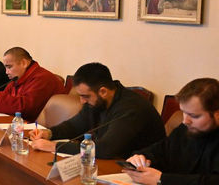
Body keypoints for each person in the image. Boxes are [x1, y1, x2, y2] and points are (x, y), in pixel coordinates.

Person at [29, 63, 165, 158]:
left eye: (85, 96)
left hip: (141, 171)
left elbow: (106, 149)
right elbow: (75, 126)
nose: (82, 101)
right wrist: (49, 134)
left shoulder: (131, 108)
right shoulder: (97, 101)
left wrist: (54, 147)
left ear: (103, 91)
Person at [125, 78, 219, 185]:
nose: (185, 121)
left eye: (194, 116)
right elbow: (158, 151)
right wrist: (140, 159)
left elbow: (213, 184)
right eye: (184, 112)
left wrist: (161, 179)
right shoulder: (185, 130)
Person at [0, 47, 65, 120]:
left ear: (24, 63)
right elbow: (6, 95)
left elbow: (27, 108)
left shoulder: (43, 78)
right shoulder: (18, 77)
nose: (6, 72)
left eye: (9, 67)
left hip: (39, 127)